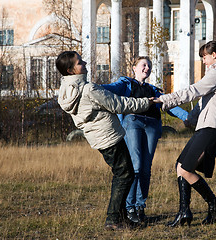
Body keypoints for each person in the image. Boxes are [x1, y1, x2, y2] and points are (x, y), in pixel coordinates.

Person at [56, 51, 153, 230]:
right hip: (109, 136)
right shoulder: (89, 89)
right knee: (125, 175)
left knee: (123, 174)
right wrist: (147, 102)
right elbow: (120, 104)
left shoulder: (67, 90)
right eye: (79, 63)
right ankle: (114, 219)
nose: (84, 63)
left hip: (97, 137)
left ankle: (123, 218)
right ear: (70, 70)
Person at [153, 41, 216, 226]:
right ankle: (184, 211)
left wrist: (164, 100)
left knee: (185, 168)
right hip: (205, 126)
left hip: (211, 128)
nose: (203, 61)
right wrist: (192, 118)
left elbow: (193, 91)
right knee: (180, 166)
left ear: (214, 55)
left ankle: (212, 203)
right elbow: (204, 101)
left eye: (204, 56)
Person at [102, 56, 188, 223]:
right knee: (136, 165)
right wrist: (92, 88)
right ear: (134, 68)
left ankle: (140, 206)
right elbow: (110, 88)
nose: (147, 68)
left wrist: (187, 117)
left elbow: (169, 105)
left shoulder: (153, 89)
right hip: (133, 121)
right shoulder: (126, 83)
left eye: (149, 66)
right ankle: (130, 208)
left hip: (152, 125)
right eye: (143, 65)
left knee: (146, 168)